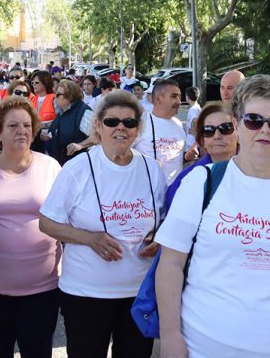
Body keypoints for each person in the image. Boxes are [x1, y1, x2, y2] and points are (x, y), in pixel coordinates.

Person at [155, 74, 270, 358]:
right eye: (254, 120)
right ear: (238, 124)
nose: (264, 130)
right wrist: (170, 337)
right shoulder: (201, 183)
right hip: (205, 349)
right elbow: (170, 265)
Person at [39, 90, 166, 358]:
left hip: (137, 294)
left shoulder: (152, 169)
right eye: (111, 122)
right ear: (98, 126)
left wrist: (158, 237)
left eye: (129, 122)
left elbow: (163, 220)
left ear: (137, 128)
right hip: (87, 294)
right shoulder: (78, 169)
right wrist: (89, 238)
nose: (120, 127)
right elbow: (47, 223)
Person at [0, 97, 62, 358]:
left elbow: (68, 218)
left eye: (27, 125)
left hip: (43, 288)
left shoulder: (50, 167)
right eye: (13, 125)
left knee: (37, 351)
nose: (22, 131)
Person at [165, 101, 238, 210]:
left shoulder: (259, 173)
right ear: (202, 139)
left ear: (239, 132)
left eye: (225, 128)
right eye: (208, 130)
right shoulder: (186, 178)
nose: (217, 136)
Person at [135, 79, 197, 184]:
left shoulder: (178, 124)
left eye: (179, 96)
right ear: (159, 98)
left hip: (174, 192)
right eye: (173, 96)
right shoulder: (141, 122)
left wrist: (187, 157)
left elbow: (174, 158)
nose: (178, 101)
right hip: (148, 192)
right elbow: (122, 154)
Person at [42, 79, 93, 165]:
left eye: (58, 94)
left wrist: (80, 145)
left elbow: (98, 136)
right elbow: (58, 128)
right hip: (61, 164)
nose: (55, 97)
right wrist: (49, 136)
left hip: (78, 165)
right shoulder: (62, 111)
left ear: (70, 96)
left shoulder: (83, 112)